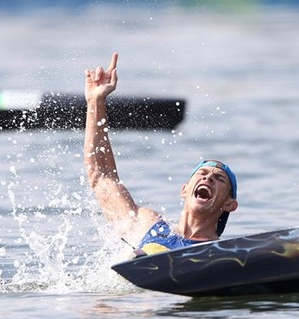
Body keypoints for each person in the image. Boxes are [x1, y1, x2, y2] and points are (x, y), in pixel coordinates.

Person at [83, 53, 238, 256]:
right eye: (202, 174)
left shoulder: (224, 253)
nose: (208, 177)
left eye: (219, 179)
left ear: (228, 204)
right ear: (184, 190)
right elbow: (101, 176)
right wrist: (96, 102)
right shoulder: (146, 225)